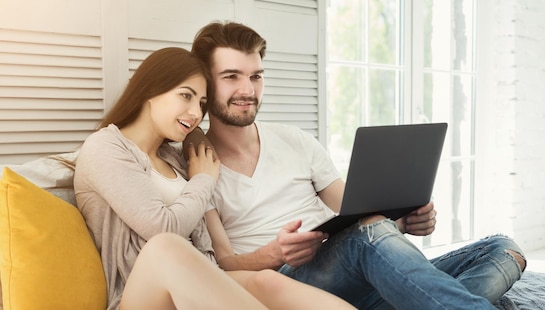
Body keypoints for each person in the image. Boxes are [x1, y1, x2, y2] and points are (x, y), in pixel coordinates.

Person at [186, 21, 528, 309]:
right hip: (289, 283)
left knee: (501, 249)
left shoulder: (295, 140)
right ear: (204, 82)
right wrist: (275, 253)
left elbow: (353, 208)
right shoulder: (198, 165)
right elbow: (223, 264)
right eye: (231, 76)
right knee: (370, 232)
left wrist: (404, 221)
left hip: (354, 269)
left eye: (256, 76)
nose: (248, 89)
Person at [74, 47, 355, 310]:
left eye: (202, 102)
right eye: (185, 96)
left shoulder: (177, 158)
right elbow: (162, 228)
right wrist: (204, 180)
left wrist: (195, 146)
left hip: (198, 283)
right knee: (164, 246)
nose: (196, 113)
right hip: (141, 295)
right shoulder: (106, 147)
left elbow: (212, 248)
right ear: (150, 90)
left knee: (266, 281)